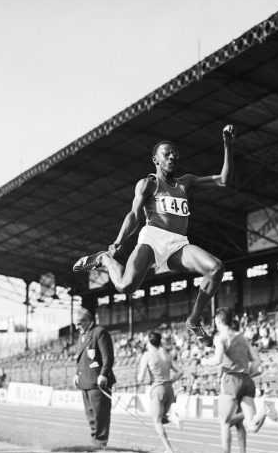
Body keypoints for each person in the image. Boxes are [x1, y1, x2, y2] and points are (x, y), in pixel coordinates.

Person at [73, 125, 236, 347]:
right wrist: (119, 241)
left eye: (175, 154)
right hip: (152, 238)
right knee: (125, 287)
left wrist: (228, 145)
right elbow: (134, 214)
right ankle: (104, 259)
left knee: (216, 269)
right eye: (166, 154)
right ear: (155, 160)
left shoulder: (185, 182)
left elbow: (224, 180)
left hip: (178, 244)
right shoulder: (149, 183)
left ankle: (194, 320)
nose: (172, 156)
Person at [201, 307, 267, 453]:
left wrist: (205, 362)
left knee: (224, 422)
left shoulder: (221, 338)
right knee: (251, 426)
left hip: (231, 380)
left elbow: (217, 360)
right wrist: (248, 373)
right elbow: (257, 362)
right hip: (246, 380)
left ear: (218, 321)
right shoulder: (244, 338)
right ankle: (263, 413)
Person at [72, 307, 116, 450]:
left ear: (87, 320)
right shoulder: (82, 335)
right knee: (90, 413)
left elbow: (107, 357)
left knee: (100, 413)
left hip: (98, 380)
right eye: (75, 324)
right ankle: (94, 440)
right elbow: (81, 359)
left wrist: (103, 374)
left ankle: (100, 442)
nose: (76, 327)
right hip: (85, 380)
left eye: (79, 323)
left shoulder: (99, 332)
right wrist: (76, 374)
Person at [137, 331, 183, 453]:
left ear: (149, 342)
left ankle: (169, 449)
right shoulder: (166, 354)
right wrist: (171, 380)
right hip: (169, 389)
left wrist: (146, 379)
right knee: (161, 418)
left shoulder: (147, 355)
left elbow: (140, 378)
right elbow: (180, 372)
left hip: (157, 389)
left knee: (157, 421)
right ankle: (172, 418)